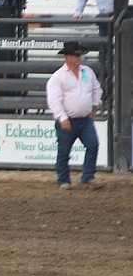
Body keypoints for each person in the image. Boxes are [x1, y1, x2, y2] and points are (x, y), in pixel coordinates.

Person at [45, 42, 104, 190]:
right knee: (64, 151)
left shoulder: (87, 72)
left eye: (79, 55)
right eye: (76, 55)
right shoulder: (58, 77)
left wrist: (95, 105)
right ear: (67, 57)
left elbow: (97, 89)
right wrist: (63, 117)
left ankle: (88, 177)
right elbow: (54, 100)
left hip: (85, 119)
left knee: (93, 145)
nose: (79, 58)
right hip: (69, 119)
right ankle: (64, 180)